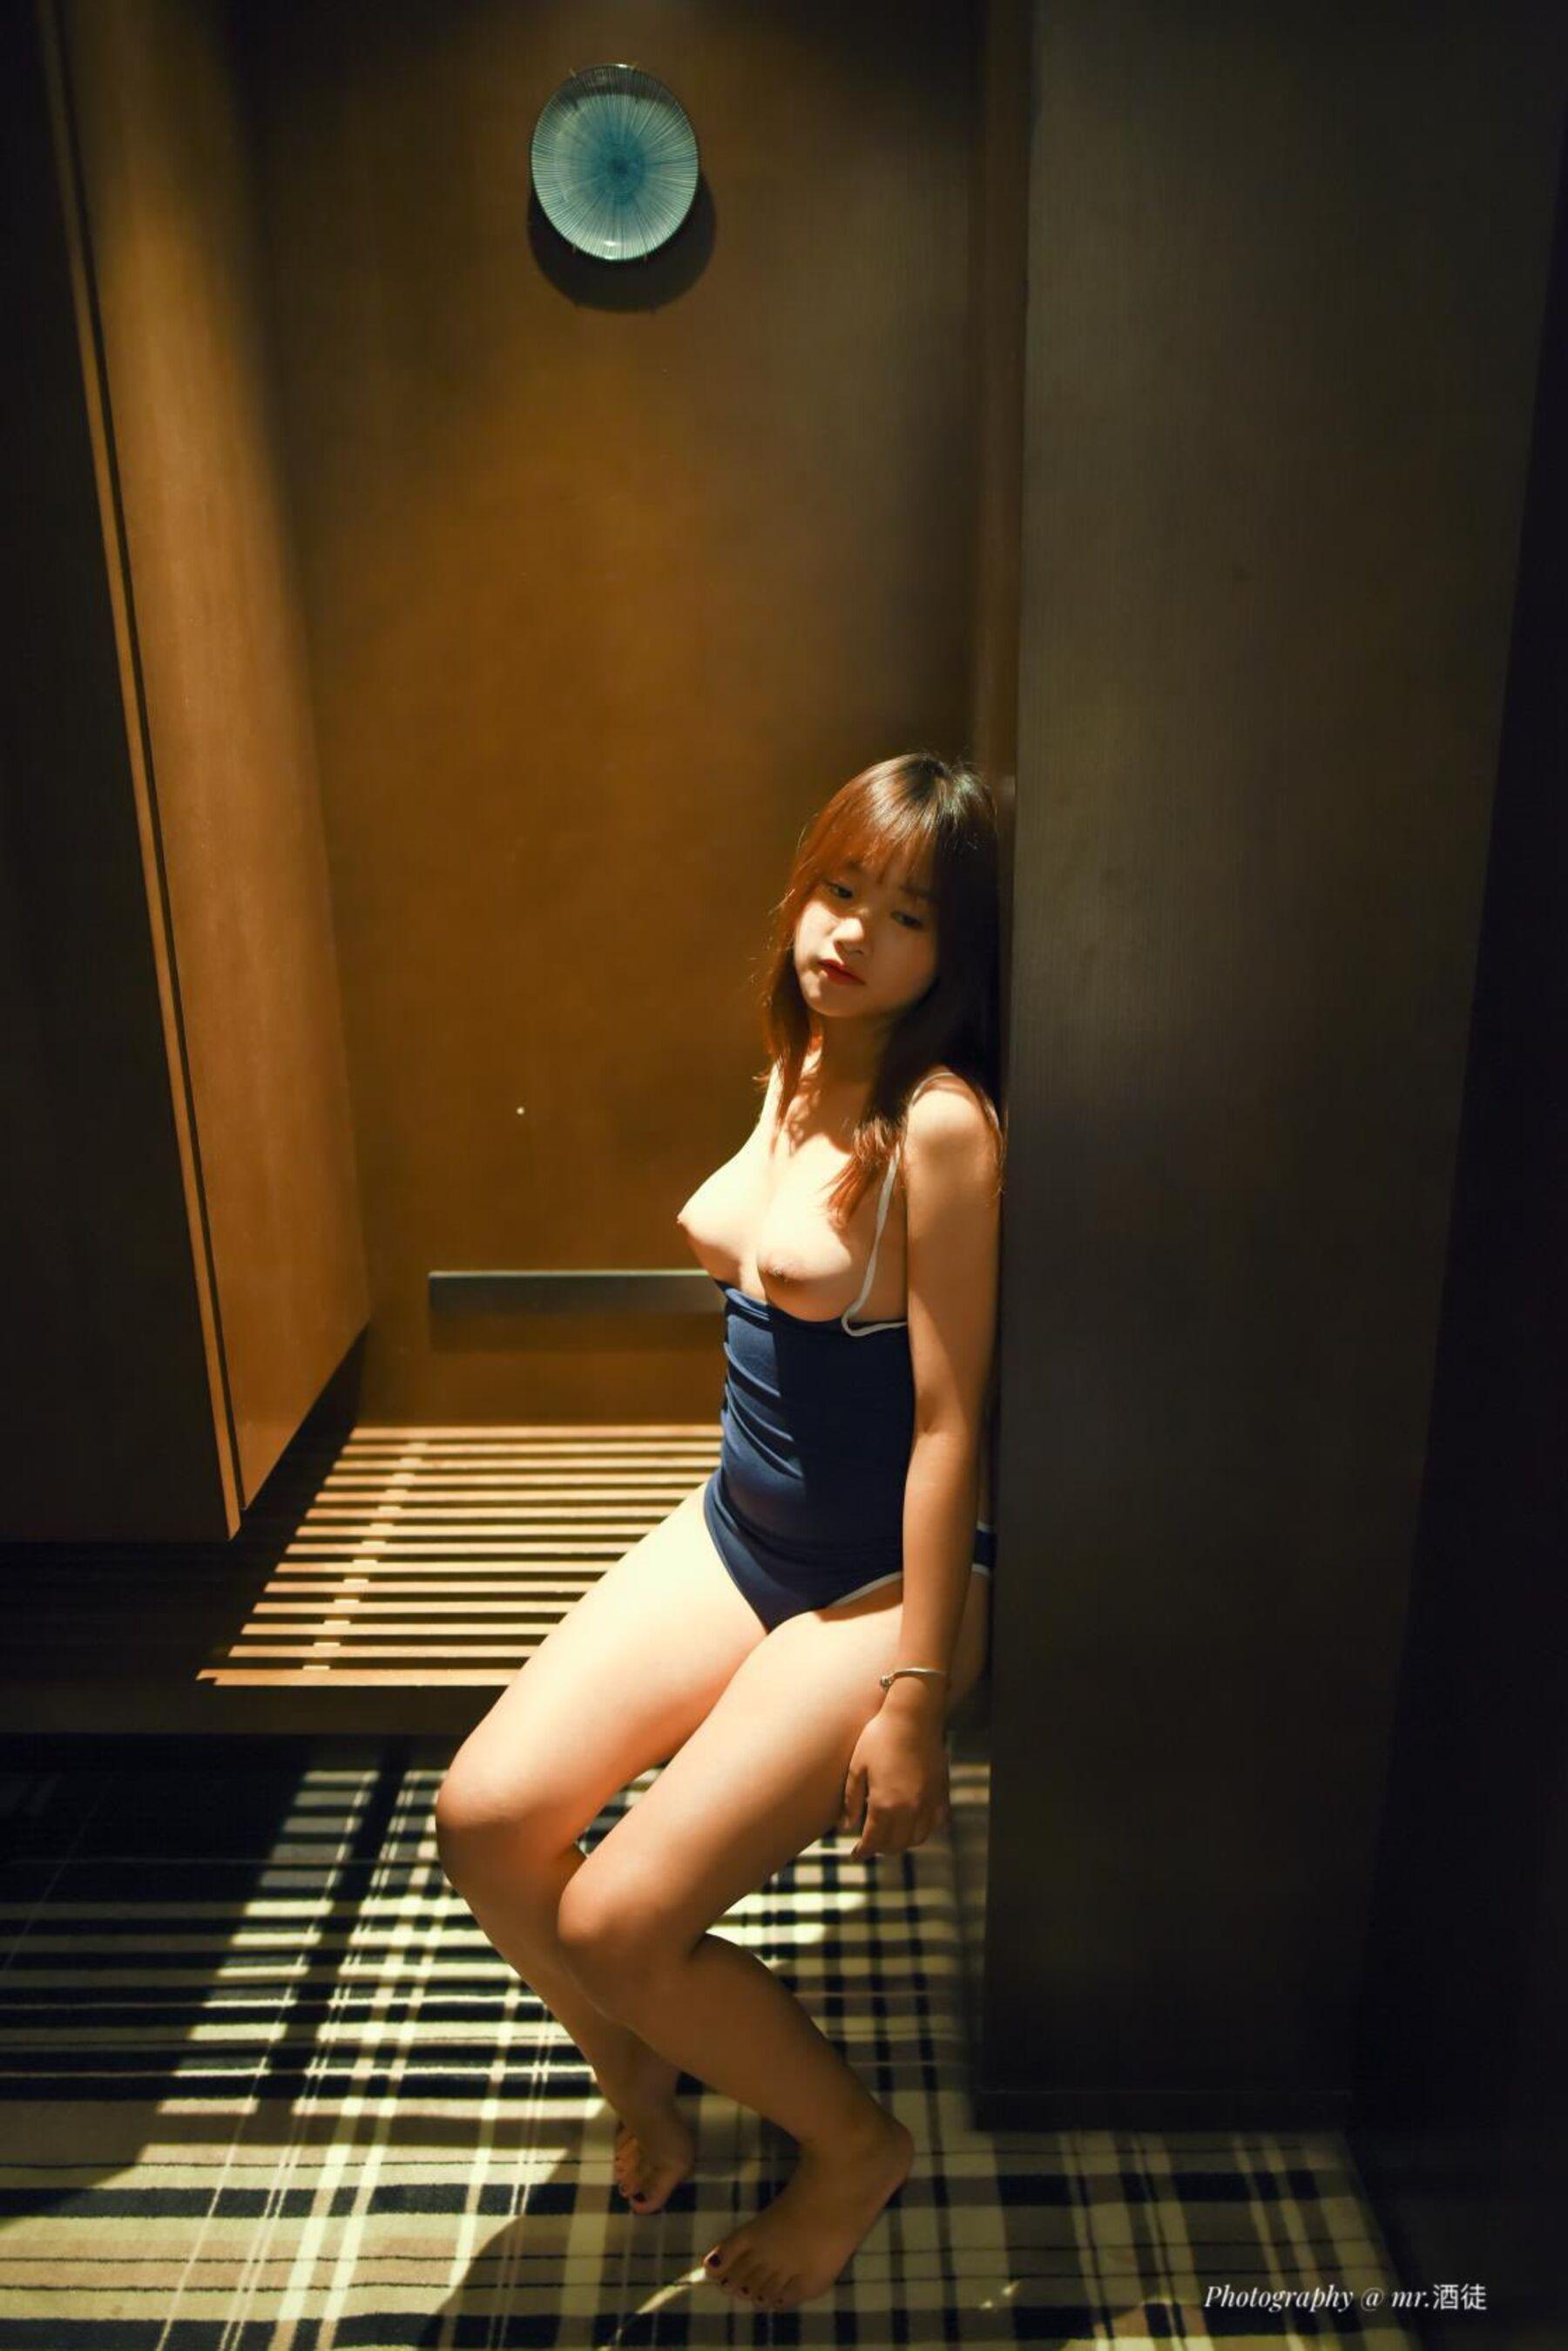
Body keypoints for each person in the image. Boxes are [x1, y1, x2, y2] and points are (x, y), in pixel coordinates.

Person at [434, 750, 1004, 2313]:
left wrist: (913, 1693)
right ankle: (639, 2067)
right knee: (484, 1822)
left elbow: (950, 1427)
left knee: (618, 1918)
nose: (852, 933)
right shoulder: (801, 1049)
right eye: (839, 889)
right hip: (740, 1522)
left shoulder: (940, 1126)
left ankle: (855, 2147)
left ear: (954, 950)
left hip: (879, 1582)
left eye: (905, 915)